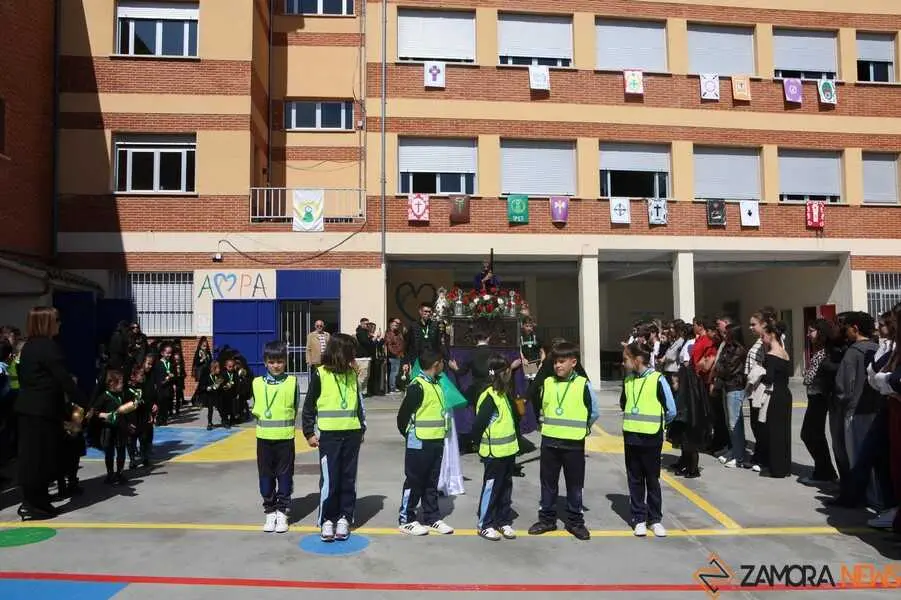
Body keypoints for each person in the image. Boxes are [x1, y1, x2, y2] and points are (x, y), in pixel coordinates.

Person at [15, 306, 87, 521]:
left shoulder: (29, 346)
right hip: (42, 410)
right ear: (46, 322)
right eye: (56, 319)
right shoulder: (48, 347)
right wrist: (85, 403)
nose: (59, 322)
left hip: (28, 408)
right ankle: (34, 504)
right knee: (41, 459)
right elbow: (63, 379)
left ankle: (36, 501)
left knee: (32, 457)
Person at [528, 341, 599, 540]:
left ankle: (575, 522)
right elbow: (542, 406)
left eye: (562, 362)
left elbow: (594, 412)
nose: (557, 366)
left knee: (574, 485)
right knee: (548, 483)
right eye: (555, 362)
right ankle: (547, 519)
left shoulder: (583, 384)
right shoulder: (548, 383)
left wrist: (583, 428)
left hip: (573, 444)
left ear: (573, 362)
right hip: (550, 441)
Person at [302, 333, 365, 541]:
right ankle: (327, 519)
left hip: (352, 434)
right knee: (330, 479)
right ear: (340, 352)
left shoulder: (352, 374)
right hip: (328, 436)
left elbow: (359, 404)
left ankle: (345, 517)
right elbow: (309, 406)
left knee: (348, 478)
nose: (354, 356)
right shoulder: (320, 374)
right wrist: (309, 432)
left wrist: (361, 428)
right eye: (351, 352)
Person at [396, 348, 456, 536]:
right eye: (442, 362)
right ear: (436, 364)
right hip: (419, 441)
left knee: (432, 481)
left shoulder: (437, 384)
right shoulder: (417, 386)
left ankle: (432, 517)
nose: (444, 365)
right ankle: (406, 518)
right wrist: (411, 436)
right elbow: (402, 417)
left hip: (436, 440)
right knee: (415, 480)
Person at [621, 341, 676, 537]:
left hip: (651, 438)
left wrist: (659, 426)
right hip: (631, 437)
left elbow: (671, 409)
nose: (623, 363)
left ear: (637, 360)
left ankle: (655, 519)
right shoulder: (627, 381)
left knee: (652, 479)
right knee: (635, 479)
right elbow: (623, 404)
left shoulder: (657, 379)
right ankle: (639, 518)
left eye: (626, 359)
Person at [470, 354, 519, 541]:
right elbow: (479, 425)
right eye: (507, 370)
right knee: (492, 487)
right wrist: (478, 445)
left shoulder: (503, 393)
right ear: (502, 373)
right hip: (494, 453)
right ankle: (485, 523)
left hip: (507, 451)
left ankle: (502, 520)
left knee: (505, 487)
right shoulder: (489, 396)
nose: (510, 372)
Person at [251, 342, 299, 534]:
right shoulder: (256, 383)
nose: (276, 365)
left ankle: (282, 511)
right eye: (272, 362)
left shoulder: (292, 382)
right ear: (265, 363)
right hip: (263, 439)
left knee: (285, 476)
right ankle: (269, 511)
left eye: (280, 361)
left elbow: (295, 409)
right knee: (265, 476)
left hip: (285, 439)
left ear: (286, 362)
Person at [800, 319, 840, 484]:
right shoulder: (818, 351)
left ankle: (825, 473)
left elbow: (815, 377)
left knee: (810, 434)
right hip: (814, 396)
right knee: (813, 434)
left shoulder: (826, 353)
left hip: (819, 398)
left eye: (812, 331)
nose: (809, 335)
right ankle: (824, 470)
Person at [92, 368, 139, 485]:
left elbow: (126, 411)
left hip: (121, 428)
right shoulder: (104, 396)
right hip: (108, 428)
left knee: (121, 450)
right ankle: (110, 474)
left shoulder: (122, 395)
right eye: (120, 382)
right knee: (109, 452)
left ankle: (120, 473)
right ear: (111, 383)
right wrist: (105, 415)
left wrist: (129, 423)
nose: (122, 384)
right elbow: (96, 411)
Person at [759, 321, 793, 478]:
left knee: (774, 431)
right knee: (784, 431)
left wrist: (759, 373)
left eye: (763, 335)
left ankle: (776, 468)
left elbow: (769, 378)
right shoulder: (784, 353)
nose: (761, 338)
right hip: (785, 393)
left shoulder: (771, 355)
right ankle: (784, 467)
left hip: (775, 395)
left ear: (771, 334)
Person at [712, 323, 747, 469]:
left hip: (735, 387)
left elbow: (726, 368)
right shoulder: (728, 347)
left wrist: (718, 367)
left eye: (727, 334)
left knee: (734, 423)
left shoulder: (739, 350)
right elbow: (719, 364)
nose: (724, 336)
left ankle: (739, 457)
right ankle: (734, 450)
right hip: (727, 386)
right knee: (729, 422)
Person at [198, 360, 225, 430]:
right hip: (210, 396)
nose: (219, 370)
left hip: (218, 395)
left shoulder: (220, 376)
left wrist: (220, 386)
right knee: (210, 410)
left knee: (220, 408)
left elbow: (221, 384)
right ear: (213, 369)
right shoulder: (207, 377)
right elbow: (202, 386)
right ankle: (209, 423)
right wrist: (207, 388)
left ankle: (224, 420)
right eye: (218, 368)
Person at [384, 318, 406, 394]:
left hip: (399, 355)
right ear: (391, 324)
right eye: (395, 323)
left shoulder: (398, 333)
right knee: (394, 372)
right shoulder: (389, 333)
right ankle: (392, 388)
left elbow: (402, 342)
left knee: (396, 372)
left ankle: (394, 387)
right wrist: (395, 353)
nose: (397, 325)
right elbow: (389, 345)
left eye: (398, 324)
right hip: (393, 356)